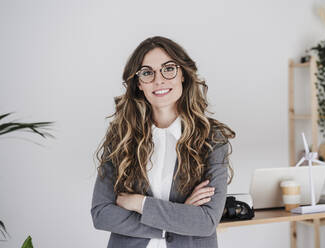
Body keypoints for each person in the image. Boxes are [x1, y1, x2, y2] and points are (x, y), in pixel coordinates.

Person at [91, 36, 235, 248]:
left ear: (183, 75)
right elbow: (102, 214)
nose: (159, 80)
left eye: (168, 69)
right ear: (139, 83)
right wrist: (179, 217)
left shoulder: (212, 138)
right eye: (147, 72)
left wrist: (140, 204)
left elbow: (206, 222)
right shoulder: (121, 136)